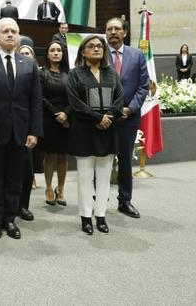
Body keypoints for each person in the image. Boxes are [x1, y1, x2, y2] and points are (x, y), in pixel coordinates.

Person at [0, 18, 43, 240]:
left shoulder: (28, 63)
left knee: (15, 178)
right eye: (5, 31)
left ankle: (10, 219)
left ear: (18, 36)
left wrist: (34, 131)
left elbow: (35, 102)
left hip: (21, 133)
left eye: (14, 31)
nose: (10, 34)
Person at [66, 35, 124, 235]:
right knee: (84, 177)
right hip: (84, 131)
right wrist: (97, 118)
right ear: (83, 51)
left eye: (100, 46)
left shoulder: (111, 73)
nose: (96, 49)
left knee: (104, 177)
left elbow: (119, 98)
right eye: (91, 46)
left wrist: (108, 117)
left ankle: (100, 216)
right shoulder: (75, 74)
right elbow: (75, 103)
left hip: (108, 131)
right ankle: (85, 217)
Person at [106, 17, 149, 219]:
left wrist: (130, 109)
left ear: (124, 32)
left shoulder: (137, 55)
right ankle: (98, 202)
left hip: (128, 118)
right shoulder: (96, 53)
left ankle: (125, 201)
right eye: (109, 29)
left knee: (125, 161)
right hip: (102, 119)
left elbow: (143, 85)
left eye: (117, 29)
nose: (113, 32)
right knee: (101, 160)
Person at [39, 40, 70, 207]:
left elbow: (74, 97)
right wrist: (56, 113)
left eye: (59, 50)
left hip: (67, 119)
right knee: (50, 156)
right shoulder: (42, 73)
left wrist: (66, 113)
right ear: (48, 54)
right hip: (48, 119)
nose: (56, 53)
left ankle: (61, 188)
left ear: (63, 54)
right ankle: (49, 188)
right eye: (52, 50)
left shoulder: (70, 74)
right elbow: (40, 97)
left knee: (63, 157)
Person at [16, 44, 39, 221]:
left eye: (28, 53)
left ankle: (23, 206)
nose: (25, 56)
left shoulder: (33, 71)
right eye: (22, 53)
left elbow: (36, 102)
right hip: (7, 126)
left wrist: (34, 130)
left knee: (26, 170)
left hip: (26, 127)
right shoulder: (11, 67)